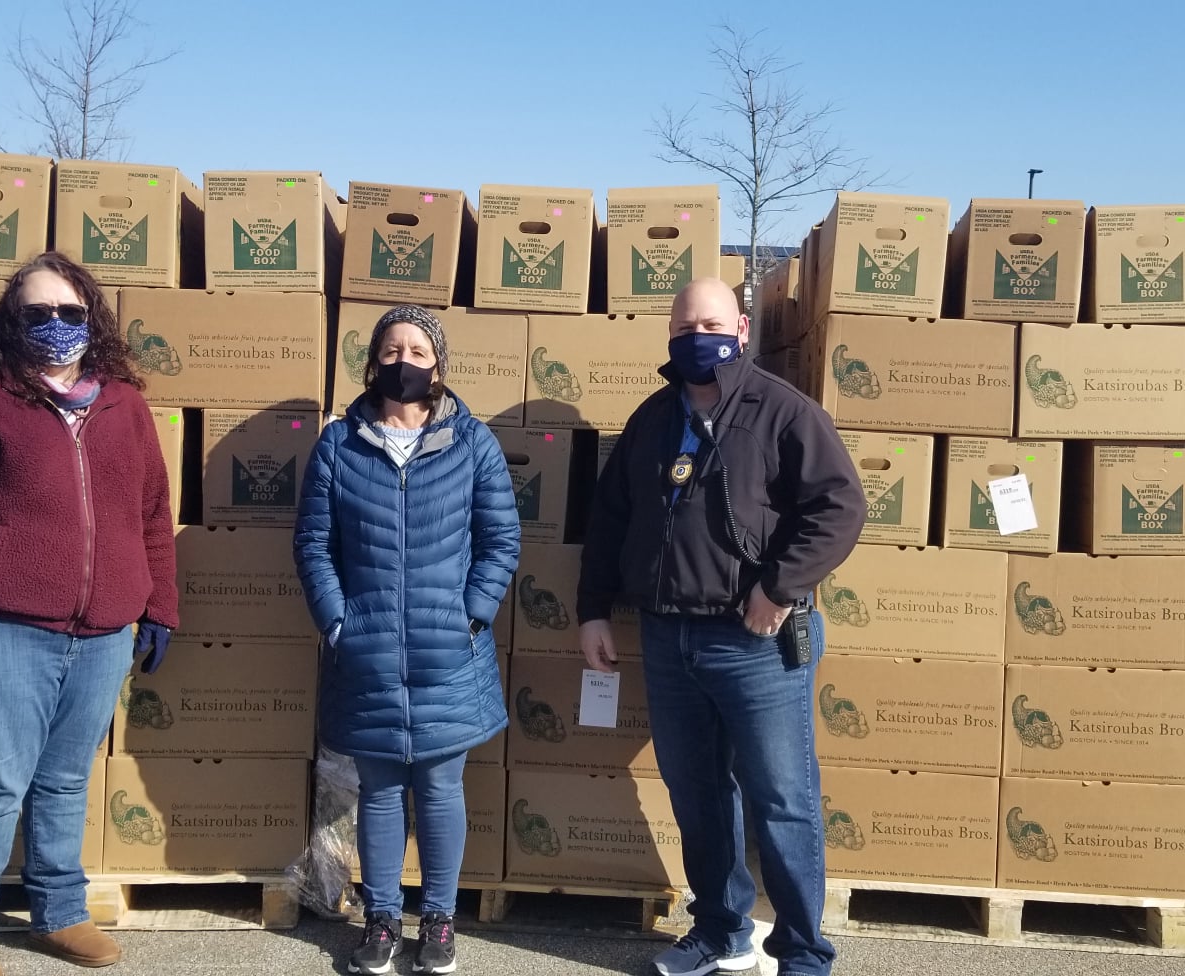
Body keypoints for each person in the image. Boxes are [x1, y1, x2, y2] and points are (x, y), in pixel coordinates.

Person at [579, 278, 865, 976]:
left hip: (755, 642)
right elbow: (610, 518)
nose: (695, 337)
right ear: (669, 336)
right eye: (683, 327)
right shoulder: (653, 419)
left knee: (782, 798)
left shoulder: (783, 412)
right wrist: (592, 609)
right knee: (698, 795)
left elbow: (840, 508)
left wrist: (779, 588)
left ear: (740, 327)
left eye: (710, 323)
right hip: (667, 639)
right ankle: (720, 932)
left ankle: (804, 955)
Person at [0, 251, 178, 976]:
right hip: (0, 628)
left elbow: (153, 510)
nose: (55, 325)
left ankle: (58, 913)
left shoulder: (123, 402)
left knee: (64, 780)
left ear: (92, 316)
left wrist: (159, 603)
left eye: (68, 311)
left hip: (102, 633)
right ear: (10, 321)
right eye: (36, 313)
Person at [294, 305, 521, 976]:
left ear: (438, 365)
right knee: (382, 790)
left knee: (443, 788)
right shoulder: (339, 445)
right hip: (363, 655)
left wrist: (473, 617)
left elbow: (501, 541)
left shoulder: (472, 442)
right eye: (393, 349)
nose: (405, 361)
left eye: (419, 351)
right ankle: (384, 918)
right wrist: (336, 621)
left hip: (449, 654)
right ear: (373, 362)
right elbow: (313, 545)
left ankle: (441, 919)